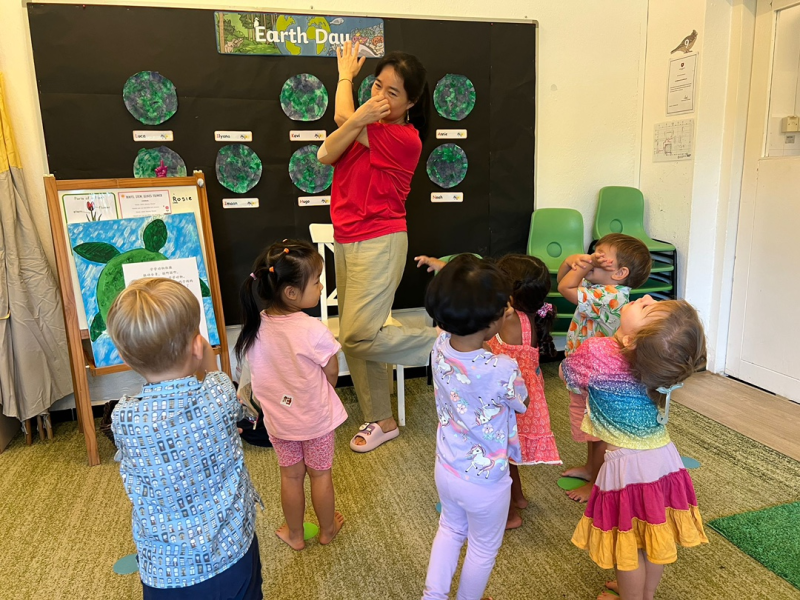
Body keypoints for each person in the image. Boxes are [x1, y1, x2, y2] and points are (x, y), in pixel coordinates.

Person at [107, 278, 263, 600]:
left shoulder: (124, 418)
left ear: (124, 356)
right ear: (197, 346)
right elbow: (236, 406)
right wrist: (206, 359)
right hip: (232, 550)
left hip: (166, 572)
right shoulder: (219, 391)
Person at [317, 40, 437, 453]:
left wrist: (344, 79)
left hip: (380, 241)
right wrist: (351, 95)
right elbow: (327, 151)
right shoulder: (362, 129)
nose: (381, 97)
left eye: (393, 92)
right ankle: (381, 420)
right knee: (361, 336)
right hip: (347, 237)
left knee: (355, 336)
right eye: (377, 86)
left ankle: (446, 341)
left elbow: (342, 115)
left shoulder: (403, 138)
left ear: (411, 102)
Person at [561, 296, 708, 600]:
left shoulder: (597, 350)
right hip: (664, 459)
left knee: (628, 547)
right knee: (652, 534)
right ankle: (646, 595)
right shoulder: (660, 364)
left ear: (630, 340)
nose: (646, 297)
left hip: (626, 467)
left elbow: (567, 375)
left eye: (646, 307)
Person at [421, 255, 529, 600]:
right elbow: (521, 401)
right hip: (486, 481)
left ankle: (433, 595)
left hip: (446, 466)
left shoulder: (439, 346)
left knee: (450, 529)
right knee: (482, 548)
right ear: (492, 321)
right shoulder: (502, 367)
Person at [235, 240, 347, 550]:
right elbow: (332, 371)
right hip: (316, 421)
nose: (321, 287)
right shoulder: (312, 329)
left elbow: (258, 378)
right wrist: (323, 392)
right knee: (320, 476)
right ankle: (327, 530)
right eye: (316, 281)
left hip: (280, 422)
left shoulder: (254, 328)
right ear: (291, 293)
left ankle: (296, 535)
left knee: (291, 476)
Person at [557, 233, 651, 503]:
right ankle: (591, 468)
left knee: (598, 430)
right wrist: (573, 261)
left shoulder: (609, 295)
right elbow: (564, 277)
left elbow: (564, 288)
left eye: (601, 256)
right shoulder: (599, 286)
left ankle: (597, 482)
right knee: (590, 426)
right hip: (588, 368)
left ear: (620, 273)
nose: (593, 258)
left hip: (598, 373)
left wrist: (581, 265)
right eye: (594, 252)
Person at [488, 255, 561, 529]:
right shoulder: (529, 315)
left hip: (510, 398)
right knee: (508, 455)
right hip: (526, 395)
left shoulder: (506, 319)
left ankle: (509, 515)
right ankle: (518, 497)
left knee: (499, 456)